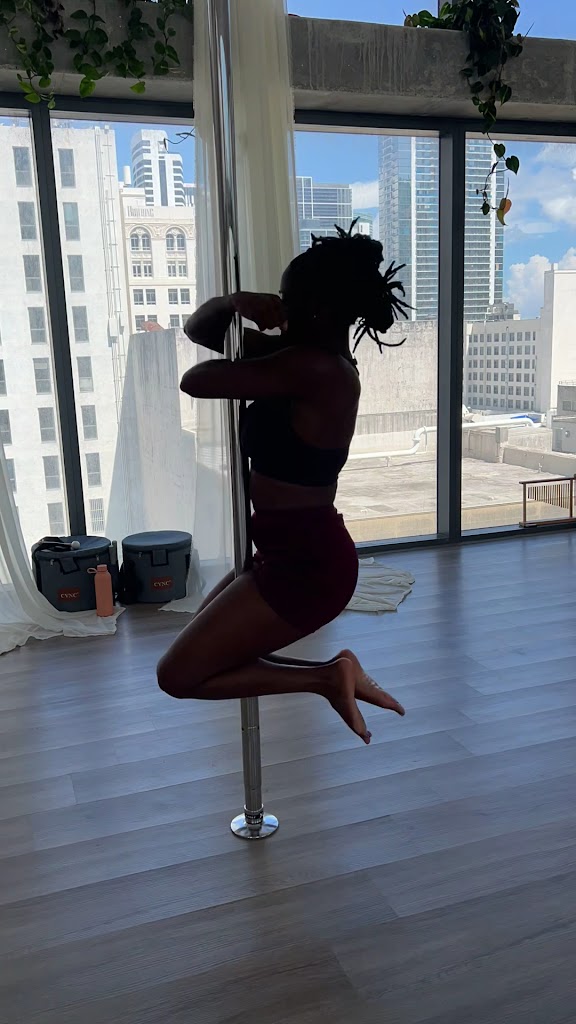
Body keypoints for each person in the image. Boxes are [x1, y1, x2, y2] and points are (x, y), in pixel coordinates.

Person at [157, 222, 409, 743]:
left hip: (308, 566)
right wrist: (234, 302)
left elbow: (196, 380)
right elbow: (200, 330)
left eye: (285, 299)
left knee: (178, 674)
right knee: (207, 653)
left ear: (313, 308)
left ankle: (327, 678)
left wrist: (244, 315)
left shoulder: (315, 368)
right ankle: (330, 674)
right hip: (283, 551)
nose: (278, 308)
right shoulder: (302, 359)